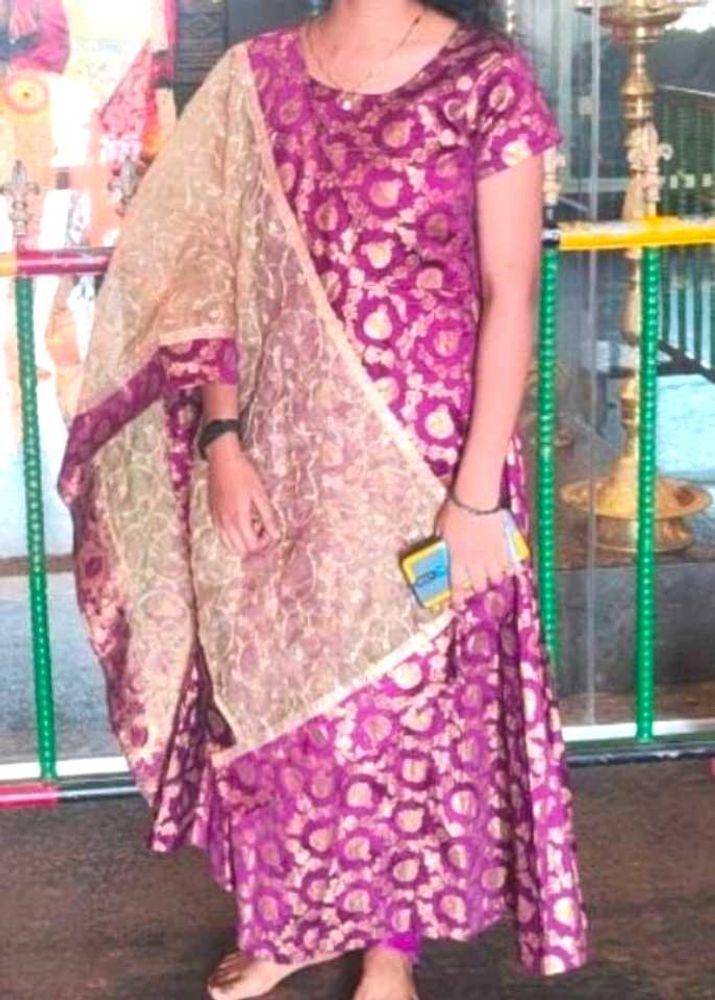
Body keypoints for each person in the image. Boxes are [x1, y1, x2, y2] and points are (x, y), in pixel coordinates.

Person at [58, 1, 589, 998]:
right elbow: (206, 274)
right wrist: (222, 439)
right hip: (278, 456)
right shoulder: (252, 78)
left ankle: (389, 948)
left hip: (428, 467)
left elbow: (510, 292)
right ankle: (295, 922)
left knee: (408, 707)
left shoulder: (483, 77)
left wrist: (475, 496)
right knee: (274, 703)